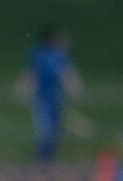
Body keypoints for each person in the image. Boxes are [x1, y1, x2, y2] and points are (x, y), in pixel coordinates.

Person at [18, 29, 81, 163]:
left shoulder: (62, 56)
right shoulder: (39, 54)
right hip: (42, 96)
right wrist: (24, 90)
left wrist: (74, 90)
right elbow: (32, 73)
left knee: (56, 128)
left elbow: (68, 74)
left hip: (56, 96)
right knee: (44, 127)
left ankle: (52, 157)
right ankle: (42, 157)